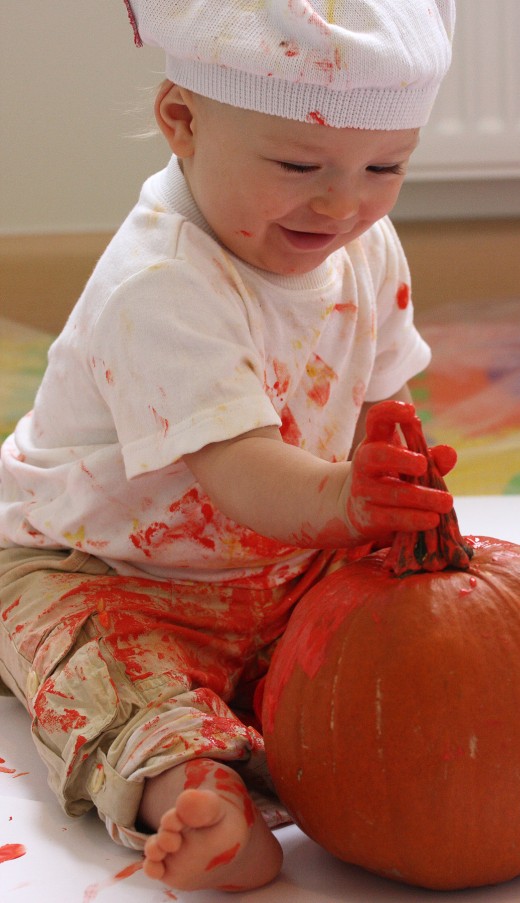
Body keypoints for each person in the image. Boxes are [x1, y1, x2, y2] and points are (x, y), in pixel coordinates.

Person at [0, 0, 455, 892]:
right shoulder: (162, 281)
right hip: (101, 568)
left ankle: (313, 748)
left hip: (281, 560)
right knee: (115, 682)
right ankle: (193, 788)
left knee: (383, 660)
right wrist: (348, 501)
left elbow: (381, 398)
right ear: (183, 122)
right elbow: (241, 469)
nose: (344, 200)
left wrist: (399, 487)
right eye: (297, 164)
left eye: (385, 166)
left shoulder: (365, 242)